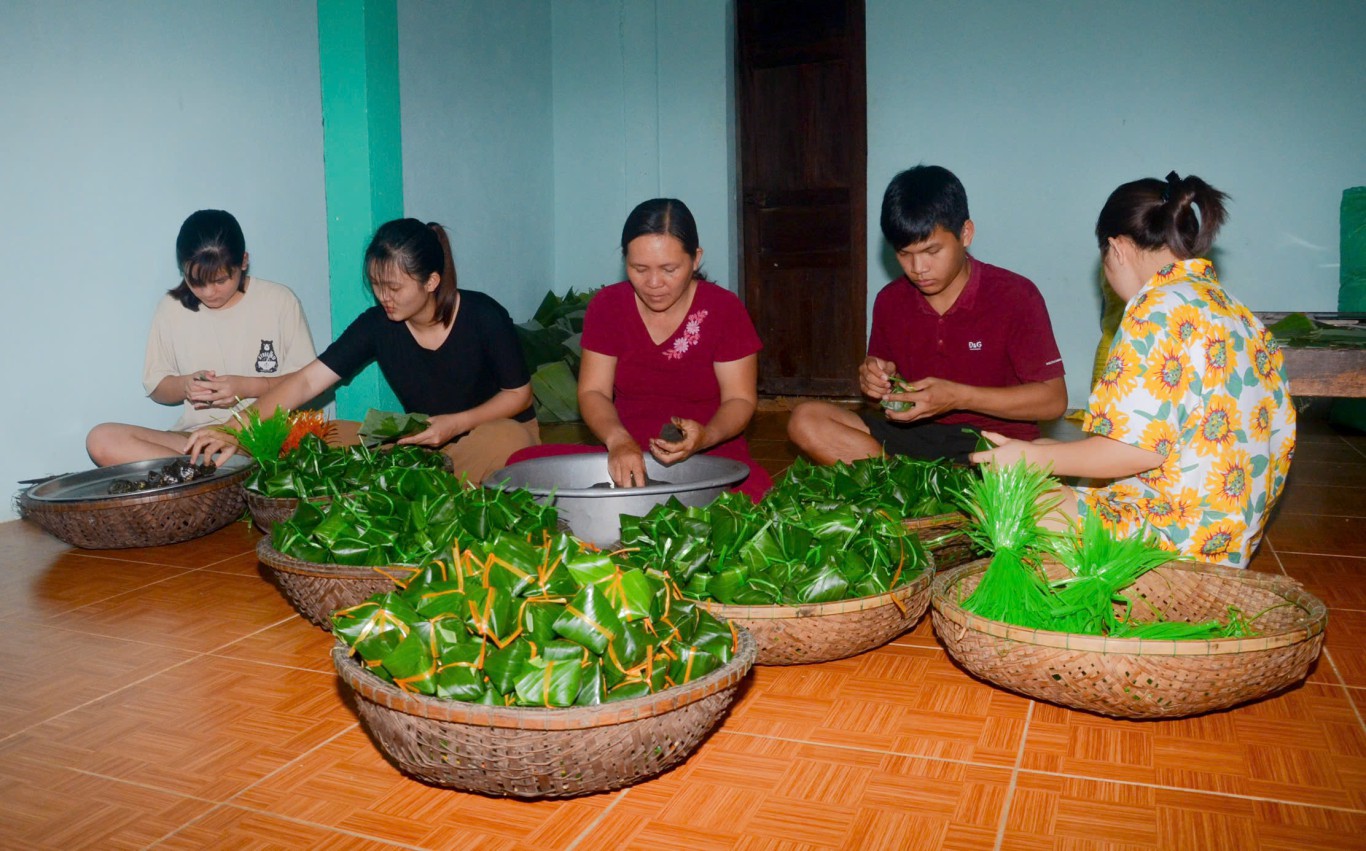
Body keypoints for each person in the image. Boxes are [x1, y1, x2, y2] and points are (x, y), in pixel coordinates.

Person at [971, 172, 1297, 567]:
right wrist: (1046, 450)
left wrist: (1035, 460)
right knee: (1052, 458)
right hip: (1224, 543)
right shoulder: (1240, 315)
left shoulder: (1155, 308)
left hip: (1174, 546)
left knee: (1007, 498)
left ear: (1117, 248)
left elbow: (1133, 451)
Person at [186, 218, 537, 483]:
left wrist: (455, 423)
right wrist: (234, 428)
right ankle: (421, 480)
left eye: (394, 287)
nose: (384, 297)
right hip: (424, 438)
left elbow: (519, 395)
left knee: (506, 440)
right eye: (376, 285)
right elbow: (308, 382)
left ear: (431, 282)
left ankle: (418, 483)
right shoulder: (377, 324)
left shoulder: (484, 316)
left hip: (488, 431)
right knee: (330, 434)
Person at [787, 165, 1068, 464]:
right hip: (912, 438)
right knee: (806, 420)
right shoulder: (891, 301)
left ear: (966, 234)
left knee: (1047, 454)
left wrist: (959, 396)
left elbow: (1053, 401)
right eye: (904, 254)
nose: (918, 269)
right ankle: (907, 487)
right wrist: (876, 381)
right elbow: (880, 401)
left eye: (932, 251)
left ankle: (913, 491)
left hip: (990, 442)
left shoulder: (1015, 296)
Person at [508, 198, 771, 500]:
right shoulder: (608, 306)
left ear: (695, 259)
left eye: (669, 269)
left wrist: (705, 437)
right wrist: (618, 440)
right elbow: (593, 392)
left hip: (709, 458)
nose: (654, 283)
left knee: (750, 495)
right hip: (628, 455)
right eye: (639, 268)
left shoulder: (723, 309)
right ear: (625, 261)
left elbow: (739, 399)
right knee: (521, 467)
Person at [86, 210, 316, 466]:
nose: (209, 292)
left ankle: (207, 475)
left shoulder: (279, 301)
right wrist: (186, 385)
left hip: (258, 437)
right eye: (196, 282)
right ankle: (210, 474)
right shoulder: (172, 307)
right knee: (101, 439)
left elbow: (306, 383)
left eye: (219, 280)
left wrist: (246, 387)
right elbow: (158, 387)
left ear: (243, 262)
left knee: (248, 451)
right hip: (195, 441)